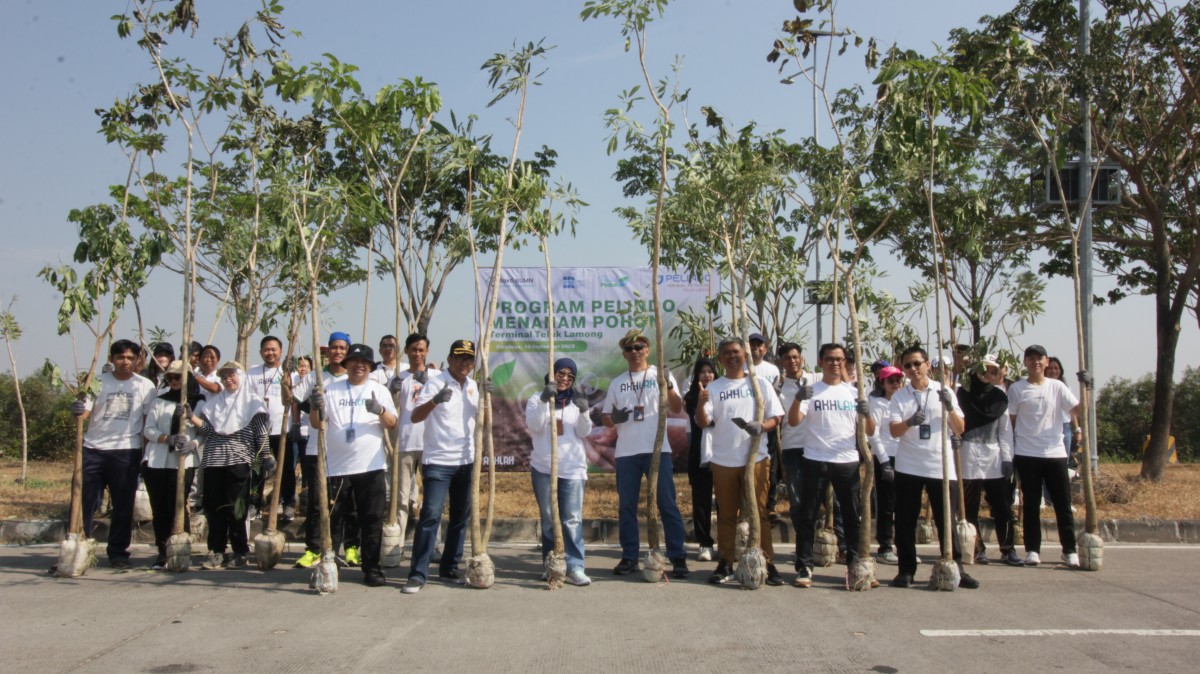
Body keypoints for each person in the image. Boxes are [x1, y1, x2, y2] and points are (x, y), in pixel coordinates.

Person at [695, 338, 786, 586]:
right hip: (724, 461)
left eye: (736, 352)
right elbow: (704, 422)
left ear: (744, 355)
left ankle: (766, 561)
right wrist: (701, 406)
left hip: (756, 459)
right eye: (726, 353)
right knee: (726, 515)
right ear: (720, 358)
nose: (732, 356)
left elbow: (777, 416)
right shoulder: (714, 388)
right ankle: (725, 561)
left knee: (759, 514)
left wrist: (762, 426)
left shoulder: (759, 384)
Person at [787, 343, 879, 588]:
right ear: (820, 362)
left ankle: (854, 565)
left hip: (847, 461)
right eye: (830, 359)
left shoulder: (853, 393)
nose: (835, 363)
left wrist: (868, 413)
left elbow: (869, 431)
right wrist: (797, 399)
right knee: (807, 515)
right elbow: (794, 421)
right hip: (815, 459)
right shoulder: (812, 390)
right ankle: (805, 566)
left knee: (851, 516)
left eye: (839, 359)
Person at [601, 329, 689, 580]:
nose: (634, 352)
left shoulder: (660, 375)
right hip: (627, 452)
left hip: (657, 450)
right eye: (629, 349)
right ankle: (629, 556)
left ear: (647, 350)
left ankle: (678, 556)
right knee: (626, 507)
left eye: (639, 347)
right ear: (624, 354)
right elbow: (606, 419)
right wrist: (613, 419)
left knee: (667, 504)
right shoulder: (618, 382)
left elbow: (676, 408)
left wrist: (669, 384)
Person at [888, 346, 978, 589]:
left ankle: (955, 566)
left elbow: (960, 428)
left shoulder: (944, 390)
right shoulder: (900, 396)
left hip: (940, 465)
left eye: (917, 363)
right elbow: (893, 431)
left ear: (928, 364)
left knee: (946, 519)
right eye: (907, 365)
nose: (913, 369)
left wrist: (949, 406)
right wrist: (909, 422)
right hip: (909, 465)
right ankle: (906, 570)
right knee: (906, 520)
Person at [308, 343, 397, 587]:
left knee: (371, 519)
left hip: (371, 466)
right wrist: (314, 406)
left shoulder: (379, 390)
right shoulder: (330, 390)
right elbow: (317, 424)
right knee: (334, 519)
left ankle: (372, 568)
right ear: (346, 365)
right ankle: (329, 564)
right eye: (354, 362)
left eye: (364, 363)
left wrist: (379, 410)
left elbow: (392, 423)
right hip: (337, 467)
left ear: (370, 367)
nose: (359, 366)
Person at [403, 339, 484, 594]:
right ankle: (418, 573)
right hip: (438, 461)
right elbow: (415, 416)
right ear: (449, 359)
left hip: (465, 460)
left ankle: (449, 567)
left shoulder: (473, 386)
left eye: (469, 359)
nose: (464, 363)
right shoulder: (435, 383)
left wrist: (488, 398)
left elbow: (480, 419)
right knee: (431, 516)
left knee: (460, 518)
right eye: (459, 357)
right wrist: (435, 401)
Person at [69, 339, 158, 569]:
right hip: (93, 449)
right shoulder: (97, 382)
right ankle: (79, 548)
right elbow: (84, 413)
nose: (125, 362)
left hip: (126, 452)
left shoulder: (145, 386)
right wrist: (77, 410)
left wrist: (145, 453)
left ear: (138, 360)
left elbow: (148, 422)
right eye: (121, 358)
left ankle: (118, 552)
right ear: (111, 359)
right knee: (83, 503)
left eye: (130, 358)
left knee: (123, 506)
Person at [189, 361, 271, 570]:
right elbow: (208, 431)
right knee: (214, 508)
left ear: (241, 376)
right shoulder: (215, 404)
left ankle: (240, 551)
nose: (228, 379)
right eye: (224, 376)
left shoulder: (253, 402)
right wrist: (190, 417)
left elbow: (261, 433)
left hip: (239, 460)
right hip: (213, 461)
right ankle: (216, 551)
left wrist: (266, 456)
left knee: (237, 508)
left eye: (231, 375)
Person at [1009, 344, 1084, 568]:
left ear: (1047, 361)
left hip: (1054, 453)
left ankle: (1069, 550)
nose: (1036, 362)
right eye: (1031, 358)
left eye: (1039, 358)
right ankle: (1032, 550)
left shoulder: (1057, 387)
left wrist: (1086, 387)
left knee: (1062, 503)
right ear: (1025, 362)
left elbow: (1078, 411)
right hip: (1026, 452)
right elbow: (1011, 421)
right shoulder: (1017, 388)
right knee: (1031, 503)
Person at [526, 357, 593, 586]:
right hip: (544, 468)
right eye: (560, 374)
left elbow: (584, 433)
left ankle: (575, 567)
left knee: (572, 519)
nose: (564, 379)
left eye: (569, 376)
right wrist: (546, 399)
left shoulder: (576, 401)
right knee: (548, 520)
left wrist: (584, 412)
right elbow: (534, 426)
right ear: (551, 374)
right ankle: (551, 565)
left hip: (572, 469)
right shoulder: (537, 398)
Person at [292, 333, 353, 568]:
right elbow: (294, 398)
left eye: (342, 348)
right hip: (317, 446)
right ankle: (313, 548)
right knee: (317, 501)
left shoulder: (353, 377)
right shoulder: (317, 377)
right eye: (334, 348)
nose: (337, 352)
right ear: (326, 352)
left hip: (345, 449)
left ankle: (342, 547)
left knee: (343, 501)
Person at [958, 354, 1022, 566]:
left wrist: (1008, 459)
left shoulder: (999, 397)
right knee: (969, 506)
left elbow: (1005, 432)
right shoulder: (962, 393)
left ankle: (1007, 548)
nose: (988, 374)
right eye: (984, 369)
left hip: (994, 456)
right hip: (967, 453)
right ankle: (976, 548)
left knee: (1002, 506)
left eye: (993, 370)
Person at [141, 359, 203, 570]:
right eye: (170, 377)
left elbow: (205, 431)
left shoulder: (198, 401)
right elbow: (148, 429)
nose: (174, 381)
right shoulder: (159, 401)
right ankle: (162, 551)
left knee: (177, 505)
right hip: (158, 460)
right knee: (159, 508)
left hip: (184, 461)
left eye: (178, 377)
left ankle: (180, 548)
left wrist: (193, 442)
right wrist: (166, 438)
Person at [384, 333, 438, 558]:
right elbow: (387, 408)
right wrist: (391, 389)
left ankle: (432, 546)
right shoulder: (398, 378)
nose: (417, 354)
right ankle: (397, 545)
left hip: (431, 444)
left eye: (421, 350)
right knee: (401, 498)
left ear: (427, 352)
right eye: (413, 349)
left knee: (433, 499)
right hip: (404, 442)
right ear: (405, 351)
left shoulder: (436, 376)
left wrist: (431, 384)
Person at [775, 341, 816, 572]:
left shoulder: (816, 380)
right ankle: (803, 555)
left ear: (801, 358)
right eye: (787, 358)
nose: (792, 361)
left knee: (822, 501)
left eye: (795, 357)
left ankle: (825, 545)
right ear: (781, 363)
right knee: (798, 502)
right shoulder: (779, 388)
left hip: (819, 448)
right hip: (792, 448)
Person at [246, 336, 292, 518]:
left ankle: (287, 502)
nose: (270, 352)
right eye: (266, 349)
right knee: (257, 469)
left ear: (281, 351)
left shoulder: (288, 372)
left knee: (286, 468)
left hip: (282, 428)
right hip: (258, 430)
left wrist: (294, 424)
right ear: (260, 352)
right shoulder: (252, 373)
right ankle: (254, 505)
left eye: (274, 349)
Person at [868, 365, 905, 565]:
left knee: (903, 505)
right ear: (882, 383)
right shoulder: (877, 403)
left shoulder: (906, 401)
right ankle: (885, 546)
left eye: (898, 380)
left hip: (906, 457)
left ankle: (903, 546)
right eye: (891, 381)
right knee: (886, 504)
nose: (895, 384)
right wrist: (884, 462)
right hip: (886, 457)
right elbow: (873, 434)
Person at [683, 357, 719, 562]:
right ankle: (705, 543)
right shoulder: (691, 397)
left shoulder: (724, 393)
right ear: (697, 375)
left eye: (710, 371)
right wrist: (702, 400)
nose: (707, 375)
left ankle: (726, 542)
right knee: (701, 501)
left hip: (723, 452)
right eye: (703, 372)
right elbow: (701, 422)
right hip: (700, 454)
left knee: (725, 500)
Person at [287, 355, 313, 520]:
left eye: (306, 366)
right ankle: (290, 500)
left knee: (308, 468)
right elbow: (291, 399)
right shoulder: (294, 382)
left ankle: (306, 497)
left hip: (310, 431)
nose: (302, 368)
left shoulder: (313, 381)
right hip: (296, 431)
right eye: (300, 366)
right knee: (291, 466)